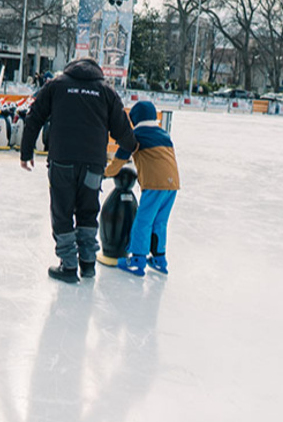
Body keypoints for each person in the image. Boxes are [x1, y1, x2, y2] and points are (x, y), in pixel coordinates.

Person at [20, 58, 136, 284]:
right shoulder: (106, 91)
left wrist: (26, 152)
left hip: (62, 159)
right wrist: (134, 147)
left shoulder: (56, 85)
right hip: (94, 163)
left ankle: (69, 265)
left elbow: (34, 117)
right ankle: (88, 264)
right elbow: (122, 128)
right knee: (88, 209)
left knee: (62, 210)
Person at [104, 100, 180, 276]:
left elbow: (120, 158)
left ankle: (137, 259)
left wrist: (107, 173)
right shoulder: (163, 134)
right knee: (160, 222)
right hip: (173, 183)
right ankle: (159, 259)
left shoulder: (136, 135)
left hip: (155, 184)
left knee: (143, 221)